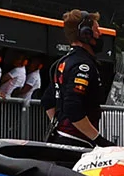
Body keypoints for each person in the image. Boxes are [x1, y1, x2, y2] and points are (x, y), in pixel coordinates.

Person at [40, 10, 113, 148]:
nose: (100, 34)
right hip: (77, 144)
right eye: (96, 30)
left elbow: (47, 100)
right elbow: (72, 108)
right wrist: (99, 140)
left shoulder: (63, 62)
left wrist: (59, 126)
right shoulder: (82, 65)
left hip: (61, 139)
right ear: (86, 34)